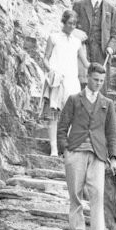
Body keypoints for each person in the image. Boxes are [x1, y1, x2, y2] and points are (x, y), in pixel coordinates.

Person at [57, 62, 116, 230]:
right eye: (95, 80)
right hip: (75, 150)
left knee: (97, 195)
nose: (98, 83)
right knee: (75, 193)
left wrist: (114, 158)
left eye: (102, 81)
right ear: (87, 77)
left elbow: (112, 133)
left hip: (98, 154)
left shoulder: (107, 104)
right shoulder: (74, 99)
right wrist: (65, 150)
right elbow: (62, 126)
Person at [40, 10, 89, 157]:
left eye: (74, 24)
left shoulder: (76, 42)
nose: (72, 27)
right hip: (56, 80)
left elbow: (85, 62)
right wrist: (51, 71)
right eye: (69, 23)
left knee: (71, 116)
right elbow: (45, 58)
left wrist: (96, 69)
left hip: (72, 81)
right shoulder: (54, 38)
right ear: (63, 22)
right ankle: (54, 149)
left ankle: (65, 148)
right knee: (54, 115)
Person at [73, 0, 116, 93]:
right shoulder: (79, 5)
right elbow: (69, 27)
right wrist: (76, 32)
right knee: (81, 83)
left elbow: (115, 35)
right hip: (83, 50)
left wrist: (110, 47)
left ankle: (99, 110)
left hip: (102, 52)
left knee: (100, 86)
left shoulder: (111, 10)